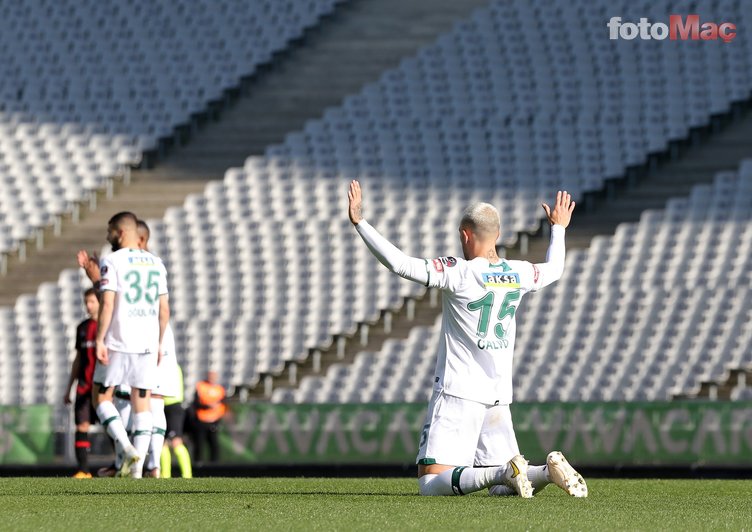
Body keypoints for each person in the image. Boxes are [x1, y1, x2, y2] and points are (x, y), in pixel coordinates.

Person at [347, 180, 587, 498]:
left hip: (458, 391)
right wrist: (558, 228)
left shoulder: (459, 272)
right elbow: (555, 268)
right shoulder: (519, 272)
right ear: (497, 235)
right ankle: (544, 470)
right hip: (498, 393)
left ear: (465, 234)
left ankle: (507, 469)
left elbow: (400, 264)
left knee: (431, 484)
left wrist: (359, 221)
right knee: (505, 492)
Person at [91, 211, 170, 478]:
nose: (108, 236)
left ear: (121, 233)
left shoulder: (111, 261)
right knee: (142, 401)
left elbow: (108, 302)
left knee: (101, 396)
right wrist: (159, 342)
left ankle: (125, 447)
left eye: (110, 231)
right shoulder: (156, 263)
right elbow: (164, 310)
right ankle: (138, 471)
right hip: (147, 343)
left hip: (119, 341)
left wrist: (100, 339)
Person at [63, 288, 100, 478]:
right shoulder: (82, 328)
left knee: (112, 427)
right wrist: (69, 387)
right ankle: (84, 470)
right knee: (81, 427)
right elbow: (79, 359)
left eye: (92, 301)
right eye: (87, 302)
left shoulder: (108, 325)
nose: (88, 305)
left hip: (103, 388)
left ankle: (119, 466)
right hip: (84, 386)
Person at [160, 363, 193, 478]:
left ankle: (187, 476)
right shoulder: (174, 365)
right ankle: (165, 475)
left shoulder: (170, 365)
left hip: (173, 406)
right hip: (161, 405)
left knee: (176, 441)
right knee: (161, 442)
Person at [192, 370, 226, 464]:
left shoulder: (220, 389)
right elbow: (195, 404)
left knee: (214, 445)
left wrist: (219, 418)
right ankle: (198, 465)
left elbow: (223, 404)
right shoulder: (201, 386)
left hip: (214, 421)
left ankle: (214, 465)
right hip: (201, 420)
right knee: (199, 444)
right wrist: (208, 406)